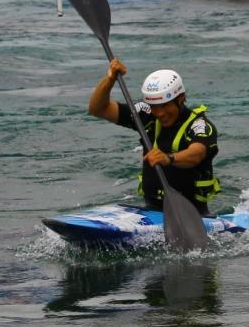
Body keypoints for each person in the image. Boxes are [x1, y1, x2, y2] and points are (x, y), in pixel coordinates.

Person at [88, 58, 221, 215]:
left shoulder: (200, 125)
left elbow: (197, 153)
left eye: (165, 105)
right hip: (152, 210)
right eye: (154, 107)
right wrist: (109, 79)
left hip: (192, 215)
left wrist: (168, 158)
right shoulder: (146, 115)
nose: (160, 113)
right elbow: (98, 109)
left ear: (181, 98)